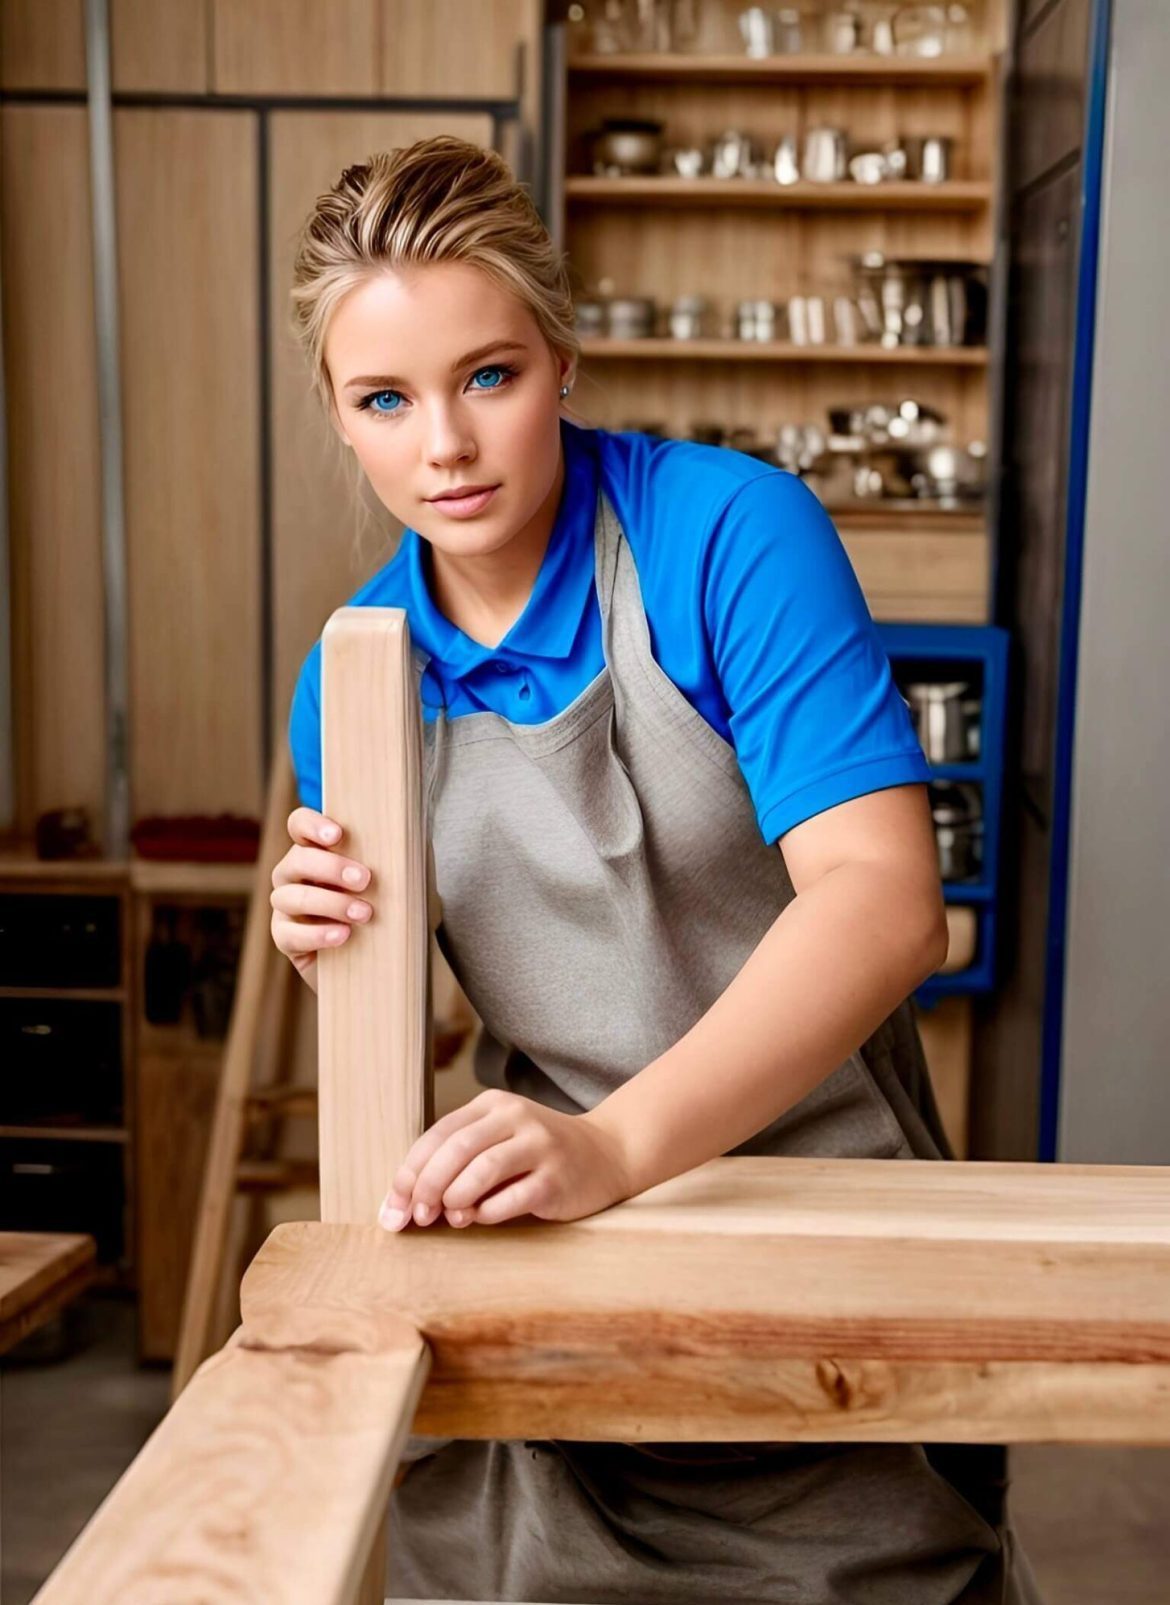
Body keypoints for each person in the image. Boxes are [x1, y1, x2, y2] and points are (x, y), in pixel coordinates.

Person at [271, 135, 1042, 1604]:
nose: (445, 445)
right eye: (386, 400)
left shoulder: (725, 536)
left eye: (488, 376)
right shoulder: (354, 673)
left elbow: (887, 905)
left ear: (561, 359)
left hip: (822, 1254)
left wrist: (615, 1147)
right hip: (539, 1284)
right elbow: (420, 1038)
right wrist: (335, 949)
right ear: (338, 415)